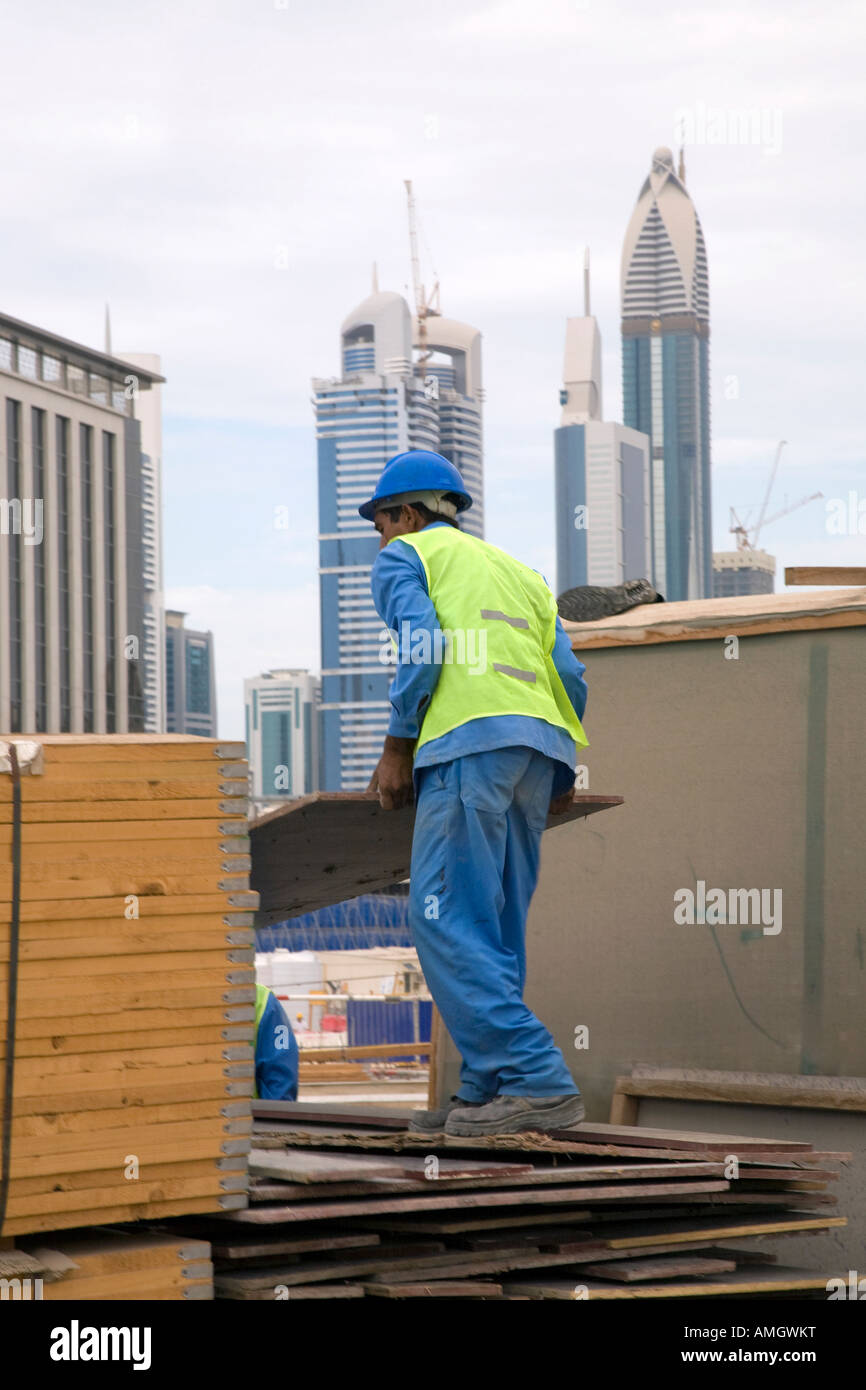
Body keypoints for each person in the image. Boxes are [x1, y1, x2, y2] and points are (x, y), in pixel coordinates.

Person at [361, 450, 589, 1137]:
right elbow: (570, 676)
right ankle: (486, 1090)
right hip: (538, 750)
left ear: (406, 515)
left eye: (380, 521)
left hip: (467, 747)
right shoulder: (522, 573)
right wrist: (562, 768)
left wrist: (397, 748)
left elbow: (424, 647)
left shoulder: (406, 559)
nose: (378, 536)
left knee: (445, 919)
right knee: (493, 928)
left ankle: (538, 1079)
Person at [253, 983, 299, 1101]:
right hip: (244, 1116)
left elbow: (280, 1080)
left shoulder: (262, 1000)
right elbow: (281, 1081)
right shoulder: (262, 998)